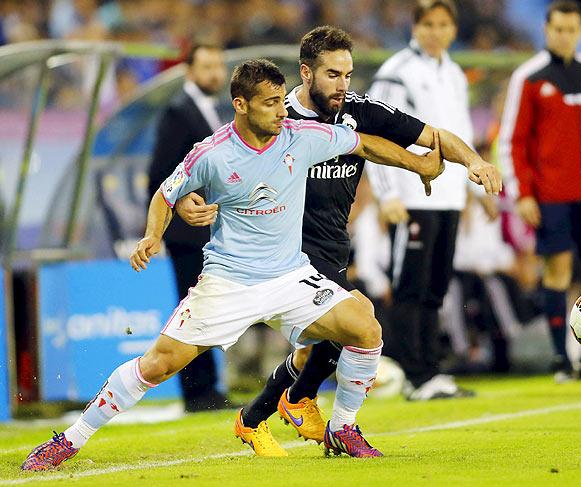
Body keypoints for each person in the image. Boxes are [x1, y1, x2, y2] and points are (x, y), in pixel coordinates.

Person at [21, 58, 446, 470]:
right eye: (269, 104)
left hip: (289, 276)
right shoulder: (211, 153)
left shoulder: (301, 136)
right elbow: (166, 194)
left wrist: (420, 163)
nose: (282, 112)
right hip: (229, 281)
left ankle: (343, 427)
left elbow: (365, 143)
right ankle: (69, 440)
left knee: (365, 326)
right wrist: (153, 236)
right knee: (157, 365)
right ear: (240, 105)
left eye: (282, 101)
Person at [177, 26, 501, 455]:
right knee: (358, 323)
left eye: (347, 74)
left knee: (325, 344)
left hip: (334, 244)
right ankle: (321, 415)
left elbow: (433, 136)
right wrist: (186, 202)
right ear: (305, 73)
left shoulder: (359, 110)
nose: (343, 85)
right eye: (333, 74)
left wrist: (474, 162)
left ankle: (255, 417)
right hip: (286, 251)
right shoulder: (273, 115)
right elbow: (221, 162)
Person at [365, 0, 486, 399]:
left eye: (443, 24)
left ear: (452, 30)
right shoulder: (397, 73)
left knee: (435, 287)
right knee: (410, 288)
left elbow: (461, 131)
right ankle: (413, 374)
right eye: (428, 24)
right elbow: (374, 135)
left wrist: (472, 185)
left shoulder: (453, 73)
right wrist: (386, 195)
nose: (436, 31)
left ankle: (431, 371)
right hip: (413, 195)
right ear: (415, 27)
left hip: (448, 197)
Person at [498, 0, 581, 382]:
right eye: (558, 30)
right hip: (551, 195)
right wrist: (523, 194)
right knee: (558, 274)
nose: (564, 36)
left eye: (571, 30)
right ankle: (559, 359)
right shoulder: (529, 77)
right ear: (546, 31)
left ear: (580, 32)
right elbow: (511, 141)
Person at [147, 43, 233, 413]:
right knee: (192, 312)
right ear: (189, 72)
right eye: (207, 66)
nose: (215, 73)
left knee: (207, 311)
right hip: (187, 233)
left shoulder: (216, 110)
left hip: (212, 231)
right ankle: (197, 393)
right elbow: (160, 172)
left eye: (218, 65)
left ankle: (209, 388)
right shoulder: (178, 112)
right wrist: (178, 207)